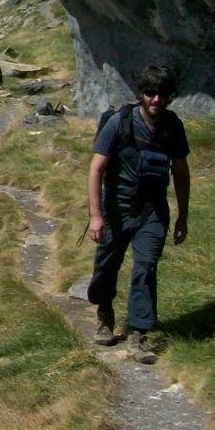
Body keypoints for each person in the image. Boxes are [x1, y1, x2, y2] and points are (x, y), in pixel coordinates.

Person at [86, 64, 191, 363]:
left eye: (163, 94)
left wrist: (183, 216)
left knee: (145, 266)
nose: (156, 100)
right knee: (107, 264)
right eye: (150, 93)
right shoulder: (119, 123)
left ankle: (138, 334)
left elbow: (181, 171)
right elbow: (96, 169)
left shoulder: (173, 127)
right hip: (116, 208)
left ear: (171, 97)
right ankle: (104, 313)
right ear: (141, 93)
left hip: (153, 210)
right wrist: (96, 216)